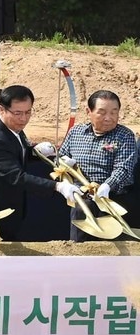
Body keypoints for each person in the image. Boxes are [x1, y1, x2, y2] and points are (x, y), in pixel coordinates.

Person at [0, 85, 79, 242]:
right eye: (17, 113)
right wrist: (57, 186)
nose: (23, 118)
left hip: (11, 208)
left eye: (28, 112)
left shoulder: (14, 128)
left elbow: (17, 152)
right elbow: (16, 177)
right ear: (2, 110)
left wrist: (36, 151)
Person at [58, 90, 137, 241]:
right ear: (89, 111)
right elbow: (61, 158)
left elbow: (124, 168)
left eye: (114, 112)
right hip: (82, 198)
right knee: (80, 237)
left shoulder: (125, 135)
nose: (109, 118)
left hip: (112, 198)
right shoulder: (76, 132)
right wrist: (64, 162)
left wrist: (107, 185)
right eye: (102, 112)